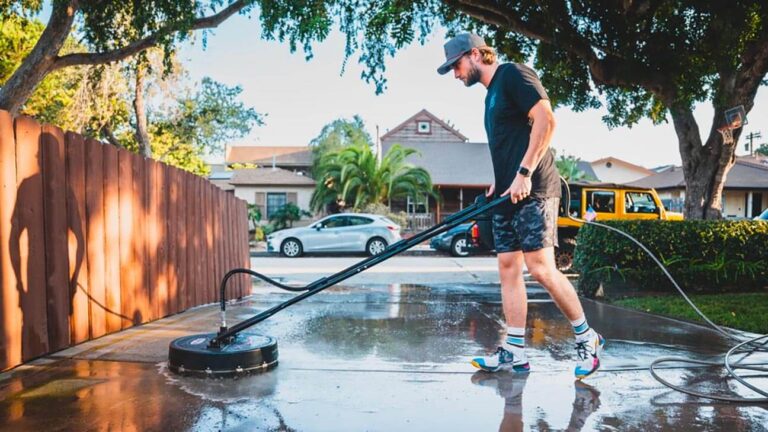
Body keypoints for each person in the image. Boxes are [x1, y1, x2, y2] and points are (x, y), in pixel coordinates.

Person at [437, 33, 604, 379]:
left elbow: (547, 120)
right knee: (508, 268)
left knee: (541, 269)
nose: (455, 74)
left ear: (474, 54)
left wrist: (525, 173)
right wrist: (500, 181)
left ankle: (588, 337)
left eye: (456, 65)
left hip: (536, 187)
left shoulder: (513, 74)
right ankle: (513, 351)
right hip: (508, 192)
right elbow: (510, 142)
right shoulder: (490, 97)